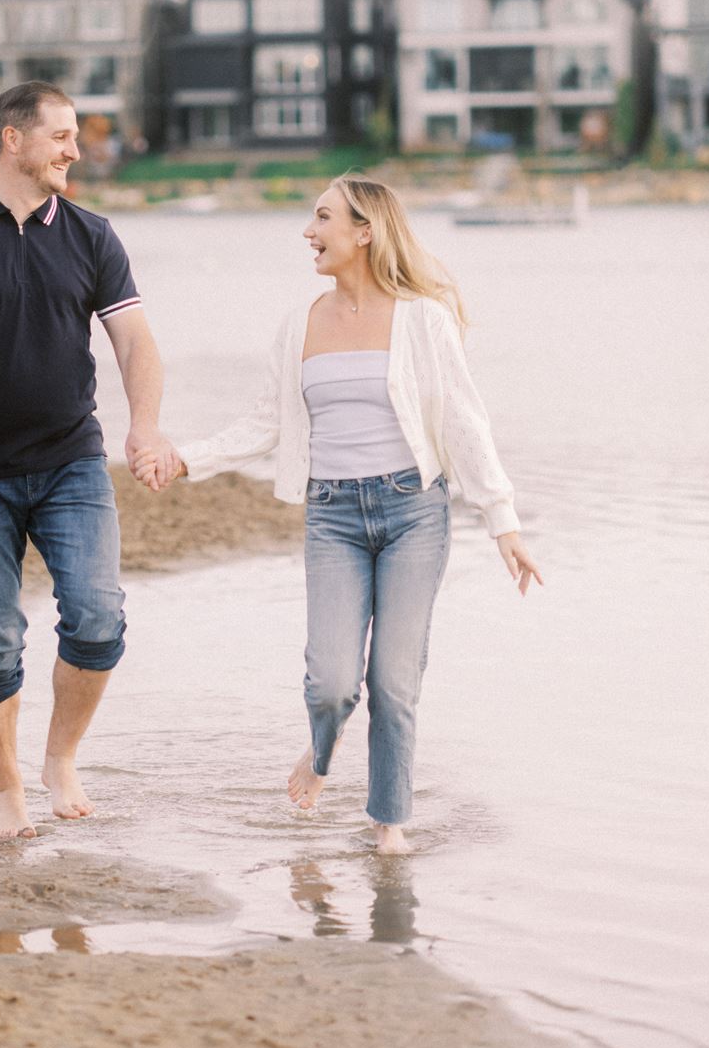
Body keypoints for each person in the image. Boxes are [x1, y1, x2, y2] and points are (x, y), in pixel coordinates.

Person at [140, 175, 538, 855]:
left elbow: (464, 421)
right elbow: (267, 421)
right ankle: (321, 758)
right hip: (332, 517)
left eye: (321, 218)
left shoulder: (423, 319)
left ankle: (388, 824)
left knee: (393, 680)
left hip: (415, 512)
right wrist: (187, 459)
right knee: (330, 683)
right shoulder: (301, 322)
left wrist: (502, 520)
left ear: (364, 232)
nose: (307, 232)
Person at [0, 82, 174, 839]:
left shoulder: (91, 235)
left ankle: (61, 759)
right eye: (62, 136)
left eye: (75, 137)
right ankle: (6, 789)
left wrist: (144, 427)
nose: (76, 151)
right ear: (13, 139)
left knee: (97, 618)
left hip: (69, 462)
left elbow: (135, 341)